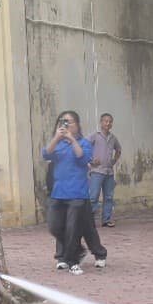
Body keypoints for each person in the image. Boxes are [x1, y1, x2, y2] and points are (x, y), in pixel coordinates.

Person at [42, 110, 106, 275]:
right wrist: (57, 137)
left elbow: (82, 158)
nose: (65, 124)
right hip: (58, 192)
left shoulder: (83, 143)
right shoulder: (58, 144)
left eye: (69, 122)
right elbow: (46, 153)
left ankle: (71, 260)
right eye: (62, 121)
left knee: (74, 228)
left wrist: (71, 139)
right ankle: (76, 251)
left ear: (77, 125)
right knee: (55, 226)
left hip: (77, 193)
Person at [86, 113, 122, 227]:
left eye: (110, 121)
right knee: (93, 197)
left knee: (108, 197)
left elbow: (118, 150)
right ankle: (88, 220)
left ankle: (106, 219)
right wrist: (90, 160)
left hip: (109, 172)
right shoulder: (94, 136)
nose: (108, 123)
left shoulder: (113, 138)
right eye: (105, 121)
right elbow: (83, 146)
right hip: (97, 171)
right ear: (101, 122)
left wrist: (114, 161)